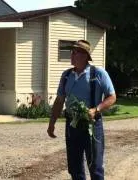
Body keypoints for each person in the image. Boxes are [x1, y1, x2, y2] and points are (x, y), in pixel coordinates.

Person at [47, 40, 116, 180]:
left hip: (92, 125)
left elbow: (112, 97)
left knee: (95, 167)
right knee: (75, 168)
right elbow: (59, 101)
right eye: (71, 52)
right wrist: (51, 123)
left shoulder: (98, 73)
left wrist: (96, 109)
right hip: (72, 126)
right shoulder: (66, 75)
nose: (71, 55)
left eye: (75, 52)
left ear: (84, 55)